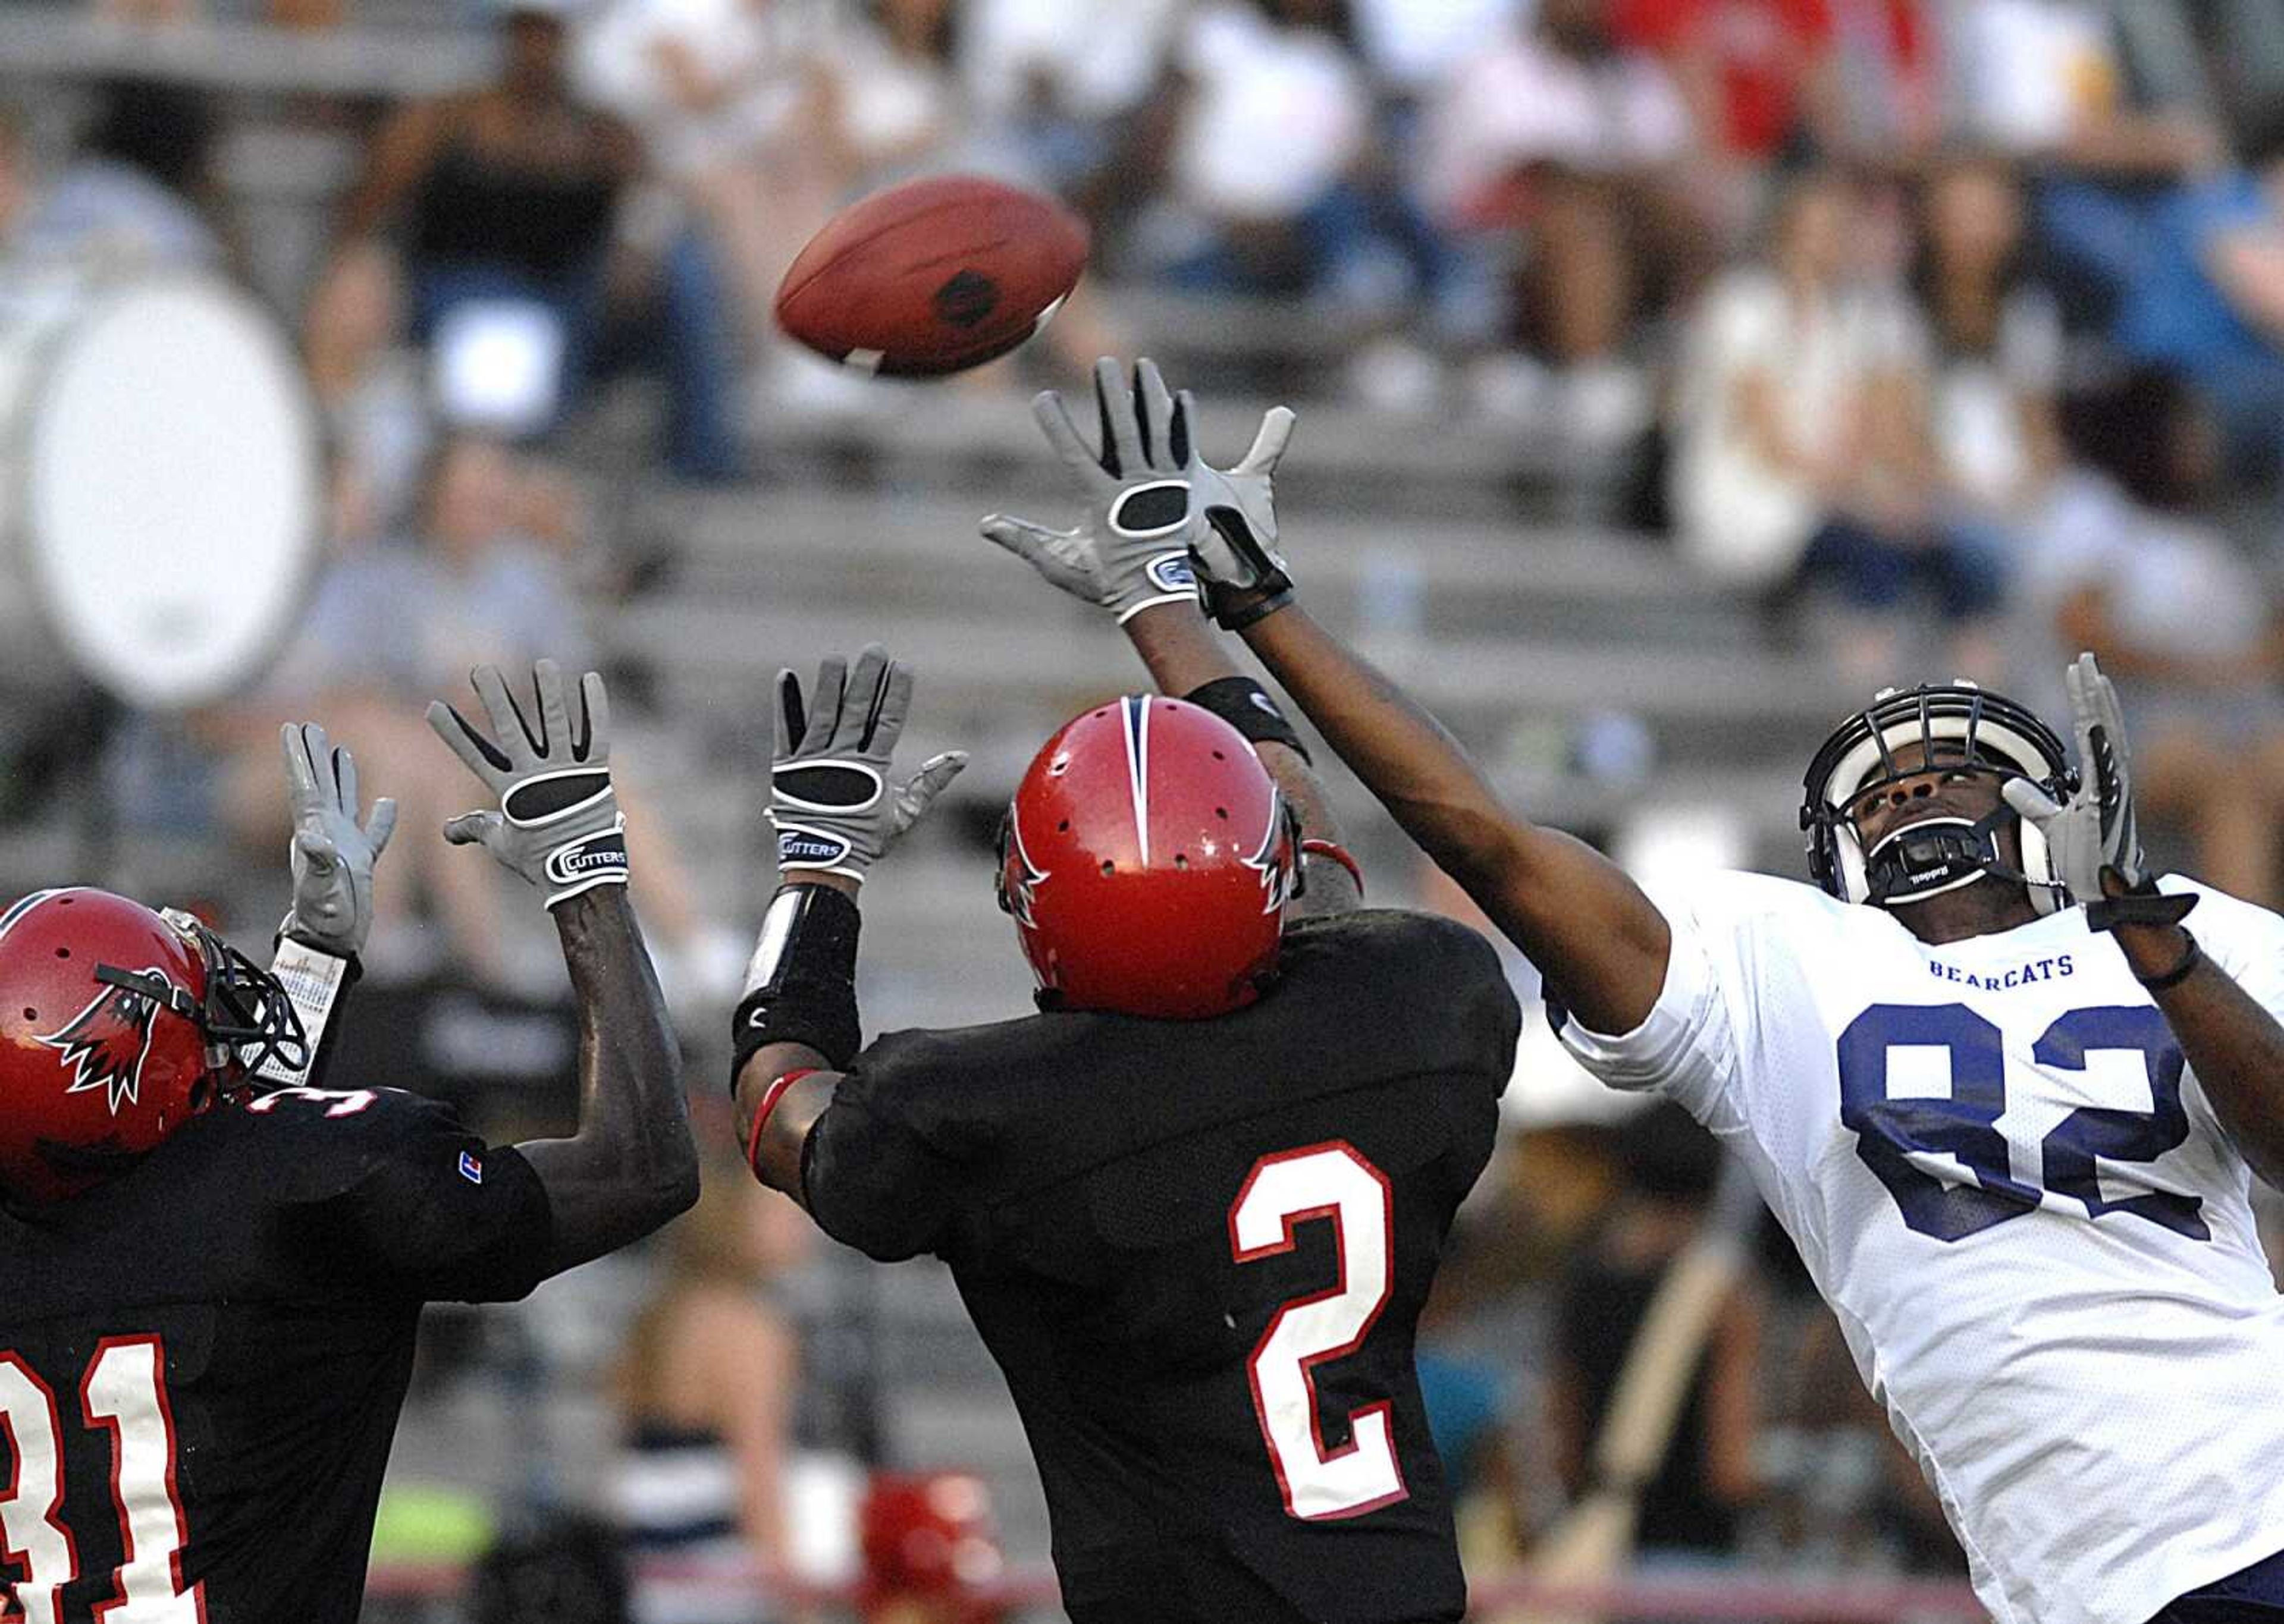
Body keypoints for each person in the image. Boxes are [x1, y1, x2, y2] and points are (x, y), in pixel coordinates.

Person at [1182, 379, 2284, 1624]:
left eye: (1956, 773)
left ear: (2044, 810)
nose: (1917, 795)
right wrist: (1264, 612)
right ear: (1837, 848)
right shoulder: (1776, 955)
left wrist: (2155, 942)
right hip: (2089, 1573)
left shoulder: (2172, 928)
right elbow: (1488, 839)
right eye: (1883, 791)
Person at [730, 361, 1521, 1623]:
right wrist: (1163, 603)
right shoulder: (1423, 1004)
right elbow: (1303, 841)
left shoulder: (987, 1108)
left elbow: (778, 1113)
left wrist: (818, 881)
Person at [0, 662, 697, 1621]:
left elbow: (190, 1221)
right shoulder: (322, 1181)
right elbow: (642, 1166)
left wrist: (315, 966)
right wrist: (588, 872)